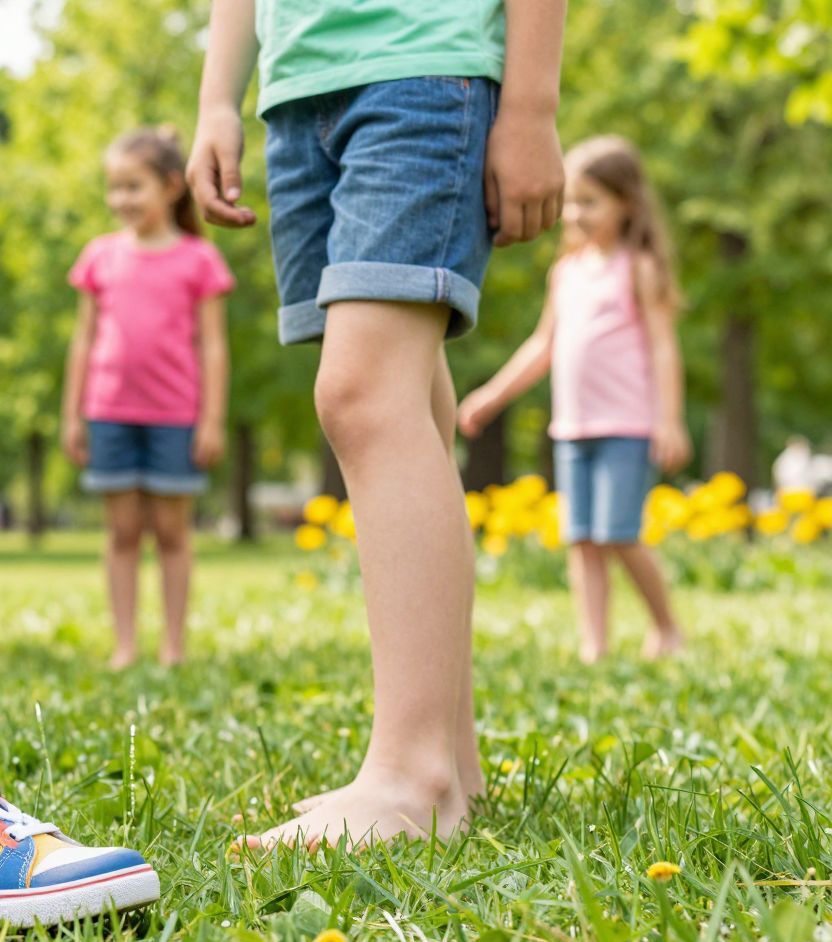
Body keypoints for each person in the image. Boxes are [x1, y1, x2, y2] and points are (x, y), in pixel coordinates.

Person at [188, 0, 567, 847]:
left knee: (362, 393)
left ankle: (411, 778)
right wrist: (218, 99)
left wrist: (532, 105)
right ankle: (451, 766)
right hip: (299, 90)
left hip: (423, 69)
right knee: (407, 384)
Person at [460, 136, 690, 662]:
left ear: (626, 203)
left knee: (620, 534)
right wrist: (492, 396)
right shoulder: (565, 272)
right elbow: (542, 345)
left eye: (590, 201)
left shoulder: (638, 268)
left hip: (626, 425)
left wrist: (670, 419)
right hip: (573, 426)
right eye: (570, 201)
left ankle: (666, 628)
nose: (575, 214)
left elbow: (663, 348)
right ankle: (594, 644)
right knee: (582, 538)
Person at [61, 128, 233, 669]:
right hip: (109, 412)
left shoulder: (199, 259)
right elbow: (83, 340)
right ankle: (125, 644)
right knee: (122, 534)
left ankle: (173, 646)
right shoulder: (100, 256)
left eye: (133, 186)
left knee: (172, 534)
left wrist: (212, 420)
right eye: (114, 187)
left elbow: (213, 347)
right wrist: (72, 415)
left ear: (171, 187)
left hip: (175, 417)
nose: (122, 199)